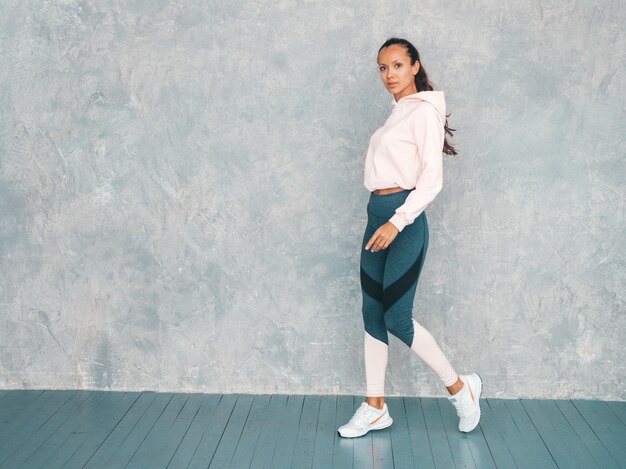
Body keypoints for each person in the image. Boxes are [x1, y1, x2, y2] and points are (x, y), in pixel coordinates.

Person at [338, 37, 483, 438]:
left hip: (402, 222)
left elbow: (430, 183)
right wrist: (382, 219)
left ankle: (461, 389)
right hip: (377, 216)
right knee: (372, 310)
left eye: (398, 66)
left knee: (396, 317)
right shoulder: (398, 112)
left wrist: (396, 222)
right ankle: (375, 407)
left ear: (415, 66)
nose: (389, 75)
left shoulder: (423, 113)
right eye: (383, 68)